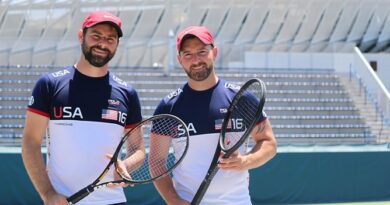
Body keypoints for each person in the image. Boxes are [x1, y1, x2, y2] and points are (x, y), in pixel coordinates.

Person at [22, 11, 143, 205]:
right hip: (63, 200)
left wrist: (125, 165)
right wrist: (48, 194)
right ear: (81, 36)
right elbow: (30, 143)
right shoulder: (49, 85)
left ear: (117, 44)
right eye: (96, 35)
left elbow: (138, 149)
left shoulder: (127, 93)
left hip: (113, 201)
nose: (103, 43)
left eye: (110, 38)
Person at [152, 26, 277, 205]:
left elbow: (269, 143)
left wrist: (245, 161)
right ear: (180, 60)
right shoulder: (168, 107)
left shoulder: (242, 99)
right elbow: (156, 161)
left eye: (202, 51)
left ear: (215, 52)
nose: (195, 60)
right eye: (187, 54)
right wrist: (173, 200)